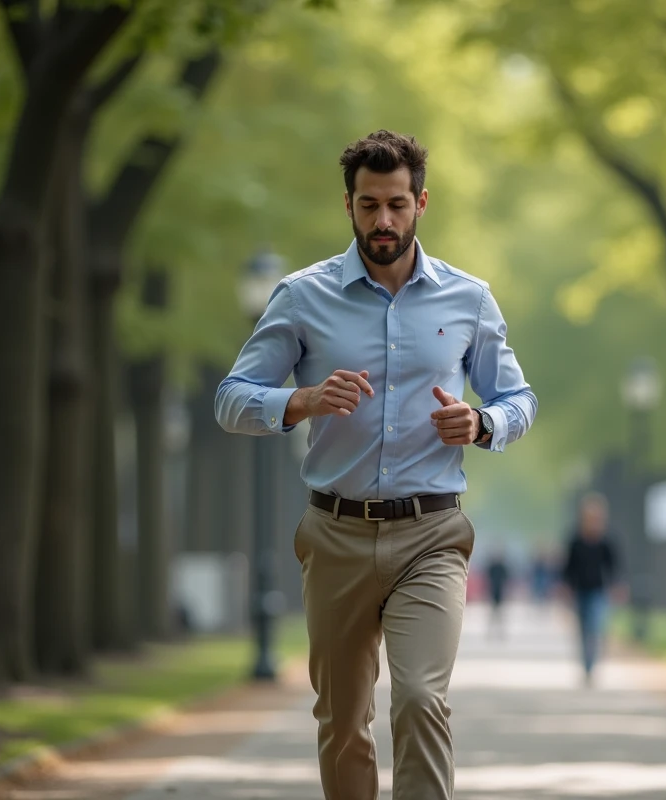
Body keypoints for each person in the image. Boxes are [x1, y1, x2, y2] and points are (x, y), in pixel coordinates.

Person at [215, 130, 537, 800]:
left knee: (420, 699)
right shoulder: (302, 297)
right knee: (343, 721)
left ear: (421, 202)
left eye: (396, 204)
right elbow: (231, 399)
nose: (383, 220)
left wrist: (483, 423)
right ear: (349, 206)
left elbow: (519, 399)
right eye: (369, 206)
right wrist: (301, 400)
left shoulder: (469, 299)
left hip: (431, 534)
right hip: (336, 533)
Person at [562, 493, 620, 685]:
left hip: (598, 591)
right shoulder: (576, 540)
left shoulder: (605, 541)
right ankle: (586, 665)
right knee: (583, 630)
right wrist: (565, 587)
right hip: (580, 591)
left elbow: (613, 566)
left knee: (595, 627)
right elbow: (568, 567)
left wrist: (617, 586)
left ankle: (592, 665)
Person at [484, 547, 510, 639]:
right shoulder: (493, 567)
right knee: (493, 615)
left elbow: (506, 580)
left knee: (500, 615)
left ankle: (500, 633)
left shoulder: (502, 567)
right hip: (493, 593)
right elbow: (487, 580)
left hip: (500, 593)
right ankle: (491, 633)